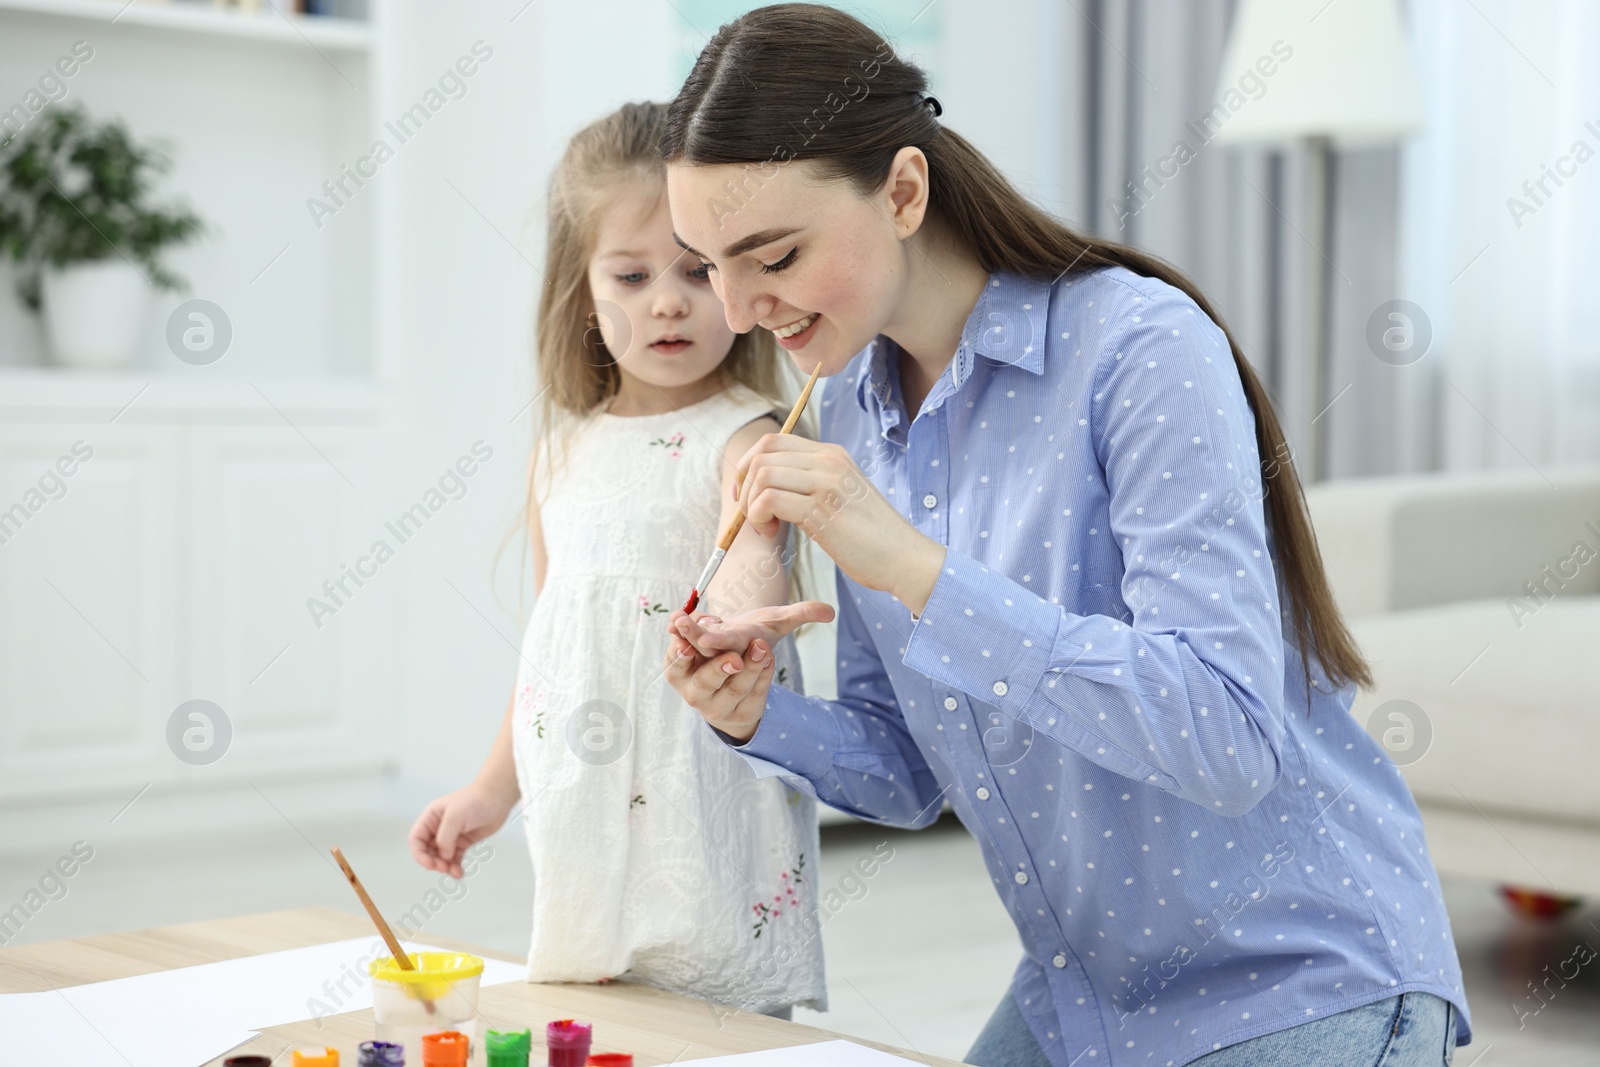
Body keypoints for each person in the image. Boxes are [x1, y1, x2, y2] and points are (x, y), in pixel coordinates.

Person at [658, 5, 1471, 1064]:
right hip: (1083, 996)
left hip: (1298, 979)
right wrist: (757, 709)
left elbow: (1225, 738)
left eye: (771, 254)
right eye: (707, 263)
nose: (736, 305)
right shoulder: (854, 404)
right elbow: (907, 768)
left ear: (903, 191)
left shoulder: (1137, 351)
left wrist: (912, 565)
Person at [408, 100, 825, 1019]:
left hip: (699, 791)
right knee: (600, 1017)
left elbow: (754, 578)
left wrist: (748, 594)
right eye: (632, 275)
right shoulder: (559, 453)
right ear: (583, 295)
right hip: (586, 801)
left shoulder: (743, 440)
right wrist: (490, 788)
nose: (668, 301)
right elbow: (548, 652)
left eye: (696, 271)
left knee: (718, 1022)